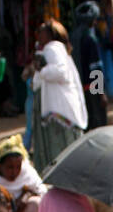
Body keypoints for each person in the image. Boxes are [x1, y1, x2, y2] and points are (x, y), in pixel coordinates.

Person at [31, 20, 87, 173]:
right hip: (61, 110)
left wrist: (42, 69)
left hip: (58, 112)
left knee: (58, 152)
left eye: (41, 31)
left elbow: (60, 73)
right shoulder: (54, 50)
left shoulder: (52, 48)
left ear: (50, 34)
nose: (38, 34)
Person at [70, 1, 107, 131]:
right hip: (91, 89)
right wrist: (101, 94)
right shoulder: (90, 39)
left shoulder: (73, 36)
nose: (96, 23)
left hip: (77, 87)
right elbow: (95, 68)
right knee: (97, 126)